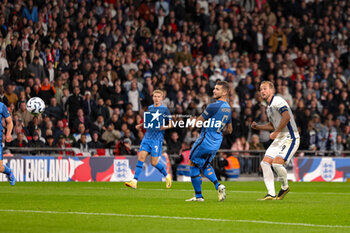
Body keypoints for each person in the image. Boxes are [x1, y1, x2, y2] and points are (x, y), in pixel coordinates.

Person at [251, 81, 300, 200]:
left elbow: (286, 117)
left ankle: (284, 187)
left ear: (272, 90)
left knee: (277, 164)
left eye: (265, 88)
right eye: (261, 89)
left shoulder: (278, 101)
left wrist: (277, 132)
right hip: (280, 138)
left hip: (290, 137)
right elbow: (272, 125)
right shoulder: (269, 108)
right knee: (265, 163)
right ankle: (271, 194)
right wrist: (259, 127)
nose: (262, 91)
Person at [185, 81, 232, 202]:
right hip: (216, 142)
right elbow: (230, 130)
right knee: (205, 165)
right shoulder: (228, 108)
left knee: (192, 163)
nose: (214, 91)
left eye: (217, 89)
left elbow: (198, 122)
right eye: (214, 88)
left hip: (205, 140)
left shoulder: (213, 106)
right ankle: (218, 186)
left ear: (225, 92)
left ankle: (198, 196)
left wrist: (191, 123)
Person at [125, 90, 172, 189]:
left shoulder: (165, 110)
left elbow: (171, 124)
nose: (156, 98)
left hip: (157, 139)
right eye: (155, 96)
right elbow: (149, 121)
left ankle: (167, 175)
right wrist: (140, 125)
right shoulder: (150, 108)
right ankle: (134, 181)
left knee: (154, 163)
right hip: (147, 137)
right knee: (141, 158)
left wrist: (162, 127)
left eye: (159, 96)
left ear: (162, 98)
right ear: (153, 97)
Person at [0, 101, 15, 185]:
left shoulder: (2, 106)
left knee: (0, 168)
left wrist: (8, 133)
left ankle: (9, 172)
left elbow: (9, 122)